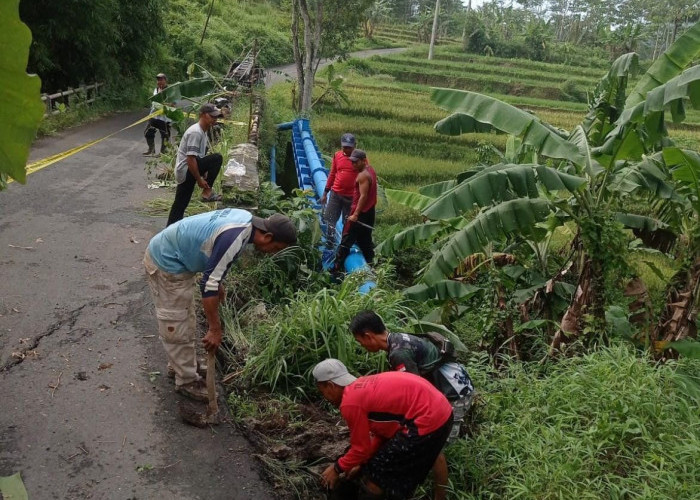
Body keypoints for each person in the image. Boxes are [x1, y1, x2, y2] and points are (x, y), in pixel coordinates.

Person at [144, 208, 297, 402]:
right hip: (167, 261)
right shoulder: (235, 236)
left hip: (177, 255)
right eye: (275, 248)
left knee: (185, 317)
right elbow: (208, 284)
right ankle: (186, 380)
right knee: (175, 321)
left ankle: (182, 365)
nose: (270, 254)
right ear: (267, 236)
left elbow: (216, 259)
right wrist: (215, 329)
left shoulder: (246, 220)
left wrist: (219, 283)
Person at [349, 310, 476, 500]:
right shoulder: (399, 339)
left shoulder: (399, 354)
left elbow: (414, 394)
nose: (362, 346)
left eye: (361, 342)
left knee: (434, 447)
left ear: (368, 336)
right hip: (454, 385)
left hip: (454, 394)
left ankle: (439, 496)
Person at [314, 358, 453, 500]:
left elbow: (360, 448)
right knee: (393, 459)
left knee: (376, 474)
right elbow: (383, 433)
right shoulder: (363, 386)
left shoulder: (350, 403)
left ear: (330, 386)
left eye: (322, 391)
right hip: (443, 411)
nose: (325, 397)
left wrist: (336, 468)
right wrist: (359, 462)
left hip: (427, 420)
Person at [166, 103, 224, 226]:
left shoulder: (202, 131)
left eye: (216, 117)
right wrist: (199, 179)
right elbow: (190, 159)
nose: (215, 119)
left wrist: (205, 170)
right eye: (212, 116)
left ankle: (170, 229)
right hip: (186, 170)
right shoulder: (196, 132)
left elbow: (198, 157)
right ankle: (207, 192)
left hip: (188, 169)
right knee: (217, 158)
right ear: (202, 115)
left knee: (181, 203)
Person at [333, 149, 377, 273]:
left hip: (360, 213)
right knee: (366, 241)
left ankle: (336, 270)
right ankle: (371, 266)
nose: (353, 165)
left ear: (363, 161)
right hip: (370, 211)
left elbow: (363, 196)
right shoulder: (371, 170)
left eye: (356, 162)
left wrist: (355, 215)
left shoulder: (363, 175)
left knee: (346, 242)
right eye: (352, 162)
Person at [320, 133, 358, 247]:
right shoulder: (337, 156)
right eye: (344, 147)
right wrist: (325, 193)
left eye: (349, 147)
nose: (346, 149)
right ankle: (330, 243)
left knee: (348, 223)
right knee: (330, 219)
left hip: (351, 197)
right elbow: (332, 174)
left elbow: (365, 177)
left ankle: (344, 246)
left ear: (354, 146)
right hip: (336, 194)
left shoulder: (360, 158)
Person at [143, 73, 173, 156]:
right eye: (158, 79)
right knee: (147, 132)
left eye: (161, 79)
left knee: (165, 135)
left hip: (165, 118)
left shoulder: (170, 90)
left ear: (165, 80)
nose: (159, 81)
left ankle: (163, 152)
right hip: (154, 115)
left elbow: (173, 104)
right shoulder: (156, 89)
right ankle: (151, 149)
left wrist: (164, 105)